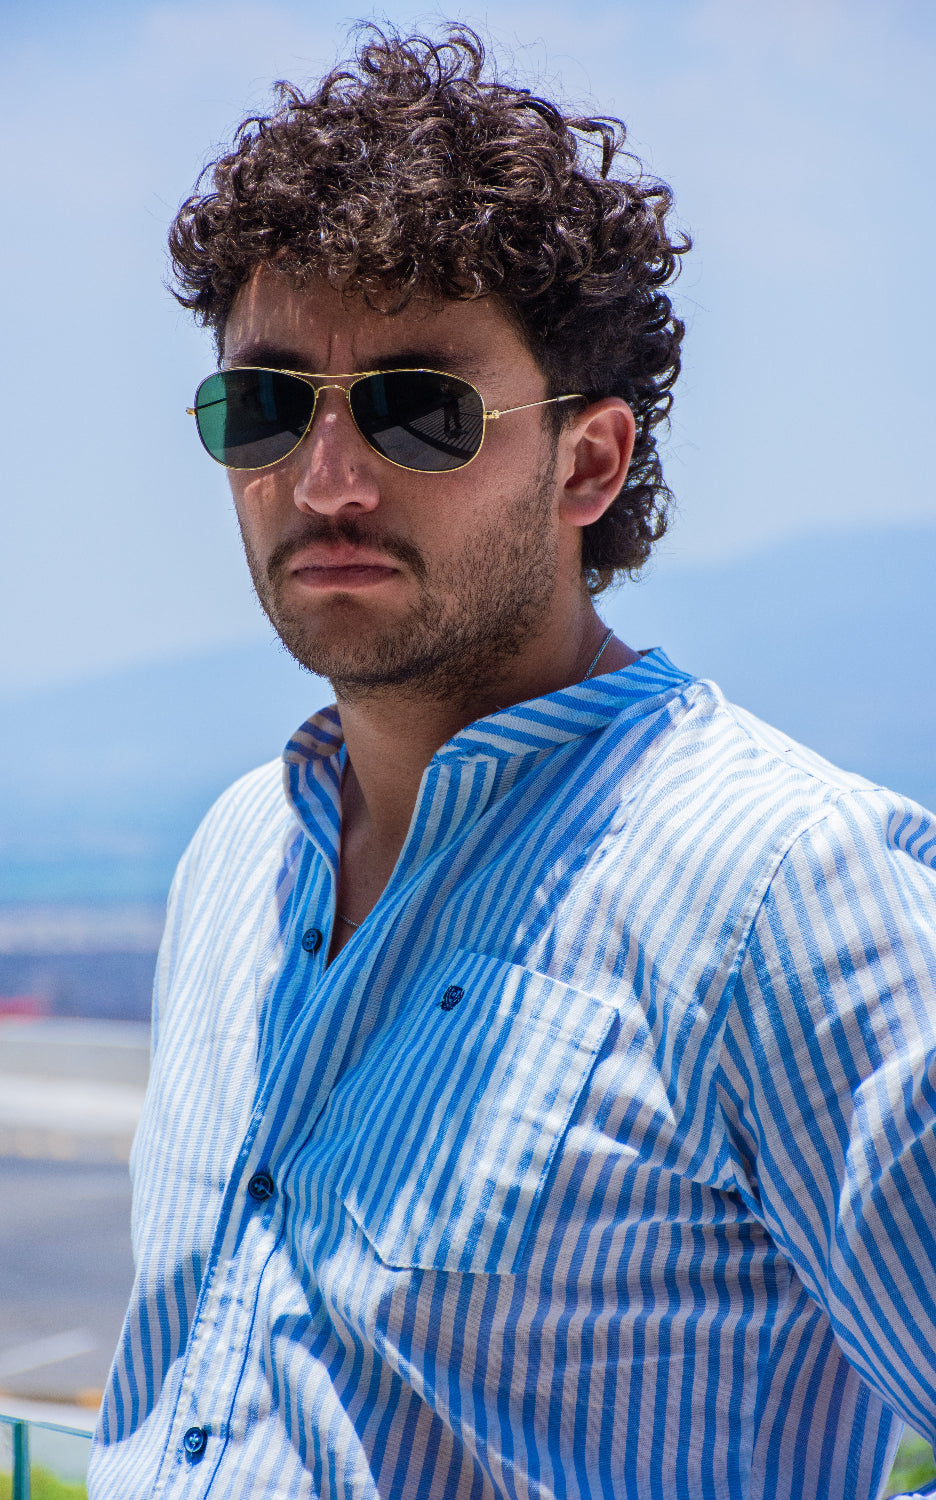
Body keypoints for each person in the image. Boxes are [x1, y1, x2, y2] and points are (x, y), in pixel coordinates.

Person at [88, 26, 936, 1500]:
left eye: (423, 408)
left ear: (589, 465)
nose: (329, 480)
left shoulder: (778, 888)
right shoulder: (237, 854)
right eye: (269, 405)